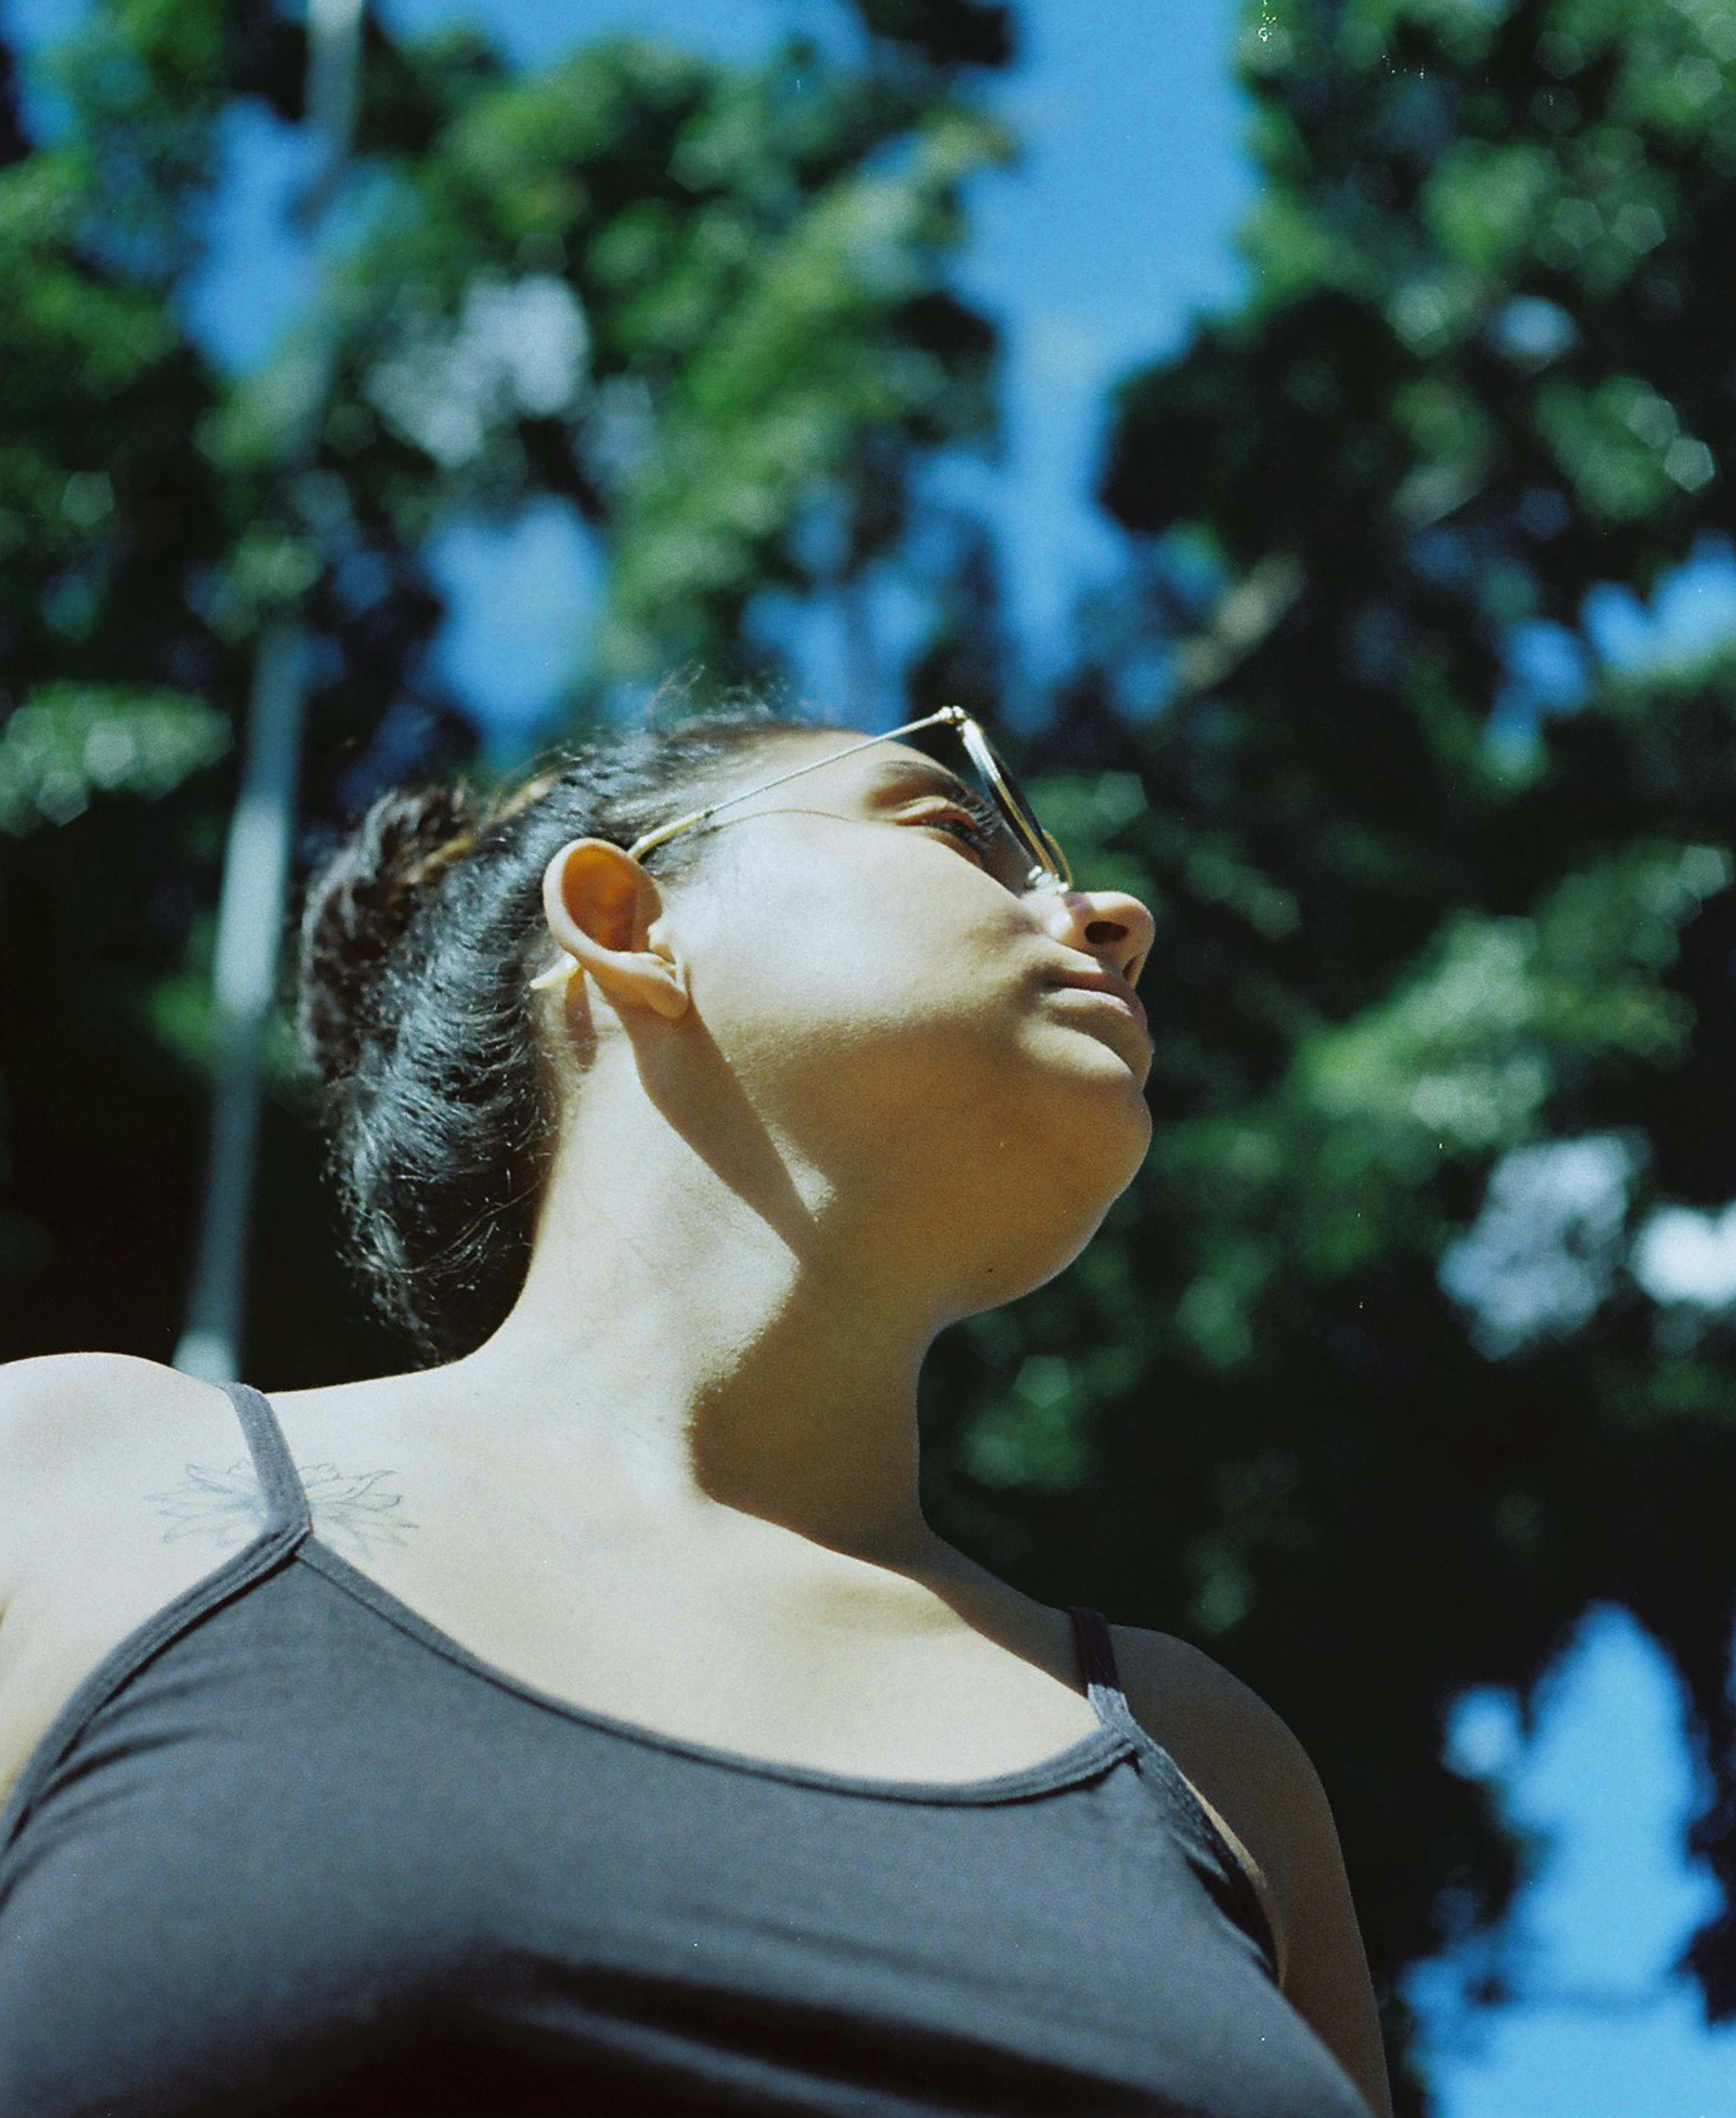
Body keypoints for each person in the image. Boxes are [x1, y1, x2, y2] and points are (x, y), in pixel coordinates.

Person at [0, 701, 1391, 2116]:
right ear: (625, 917)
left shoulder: (1200, 1758)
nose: (1112, 911)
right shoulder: (78, 1488)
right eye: (956, 830)